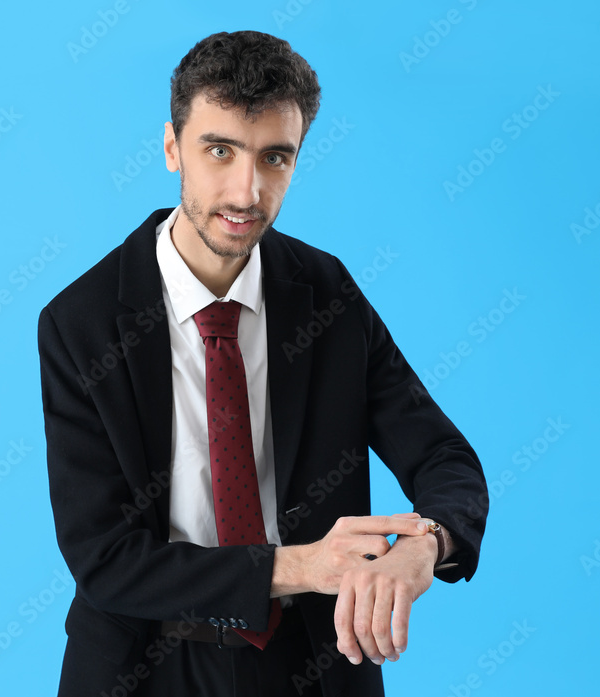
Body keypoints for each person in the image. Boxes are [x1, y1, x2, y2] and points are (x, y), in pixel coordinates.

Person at [37, 30, 488, 697]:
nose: (247, 191)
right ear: (172, 149)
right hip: (143, 665)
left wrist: (424, 547)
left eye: (275, 157)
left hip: (313, 662)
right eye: (220, 151)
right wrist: (300, 564)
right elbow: (104, 559)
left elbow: (444, 456)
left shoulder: (326, 292)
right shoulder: (80, 321)